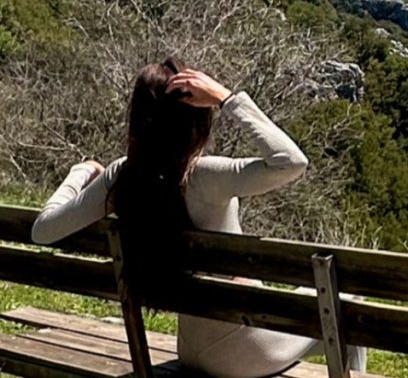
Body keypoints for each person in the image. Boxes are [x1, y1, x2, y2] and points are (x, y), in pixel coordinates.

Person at [31, 57, 367, 378]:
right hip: (241, 352)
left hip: (191, 348)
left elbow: (43, 231)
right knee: (348, 304)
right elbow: (291, 162)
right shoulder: (205, 176)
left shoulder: (123, 178)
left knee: (307, 302)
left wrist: (82, 170)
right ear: (196, 117)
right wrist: (227, 97)